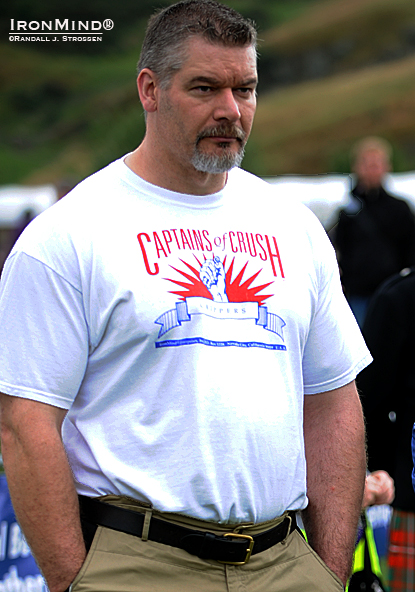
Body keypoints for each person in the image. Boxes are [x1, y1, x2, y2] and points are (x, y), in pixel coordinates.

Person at [0, 2, 371, 591]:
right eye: (205, 88)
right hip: (138, 562)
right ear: (150, 89)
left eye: (245, 89)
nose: (231, 110)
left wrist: (327, 572)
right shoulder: (67, 236)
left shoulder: (294, 227)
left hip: (284, 560)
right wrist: (77, 581)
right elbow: (25, 422)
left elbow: (331, 400)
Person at [358, 267, 415, 591]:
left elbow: (371, 400)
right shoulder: (400, 298)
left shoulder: (399, 295)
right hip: (408, 498)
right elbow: (370, 401)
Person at [330, 137, 415, 327]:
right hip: (358, 294)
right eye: (368, 164)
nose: (373, 169)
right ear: (357, 167)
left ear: (387, 167)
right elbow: (339, 249)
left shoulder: (399, 209)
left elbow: (410, 249)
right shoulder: (348, 212)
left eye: (377, 164)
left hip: (394, 292)